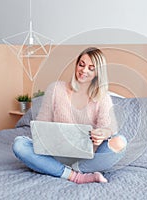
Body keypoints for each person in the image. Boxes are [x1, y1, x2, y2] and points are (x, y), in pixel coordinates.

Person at [12, 47, 127, 184]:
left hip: (87, 157)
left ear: (98, 73)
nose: (84, 70)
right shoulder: (55, 89)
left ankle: (62, 169)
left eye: (91, 68)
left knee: (120, 142)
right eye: (81, 64)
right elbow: (41, 124)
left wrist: (103, 133)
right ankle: (76, 176)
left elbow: (108, 128)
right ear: (76, 65)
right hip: (55, 153)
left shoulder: (103, 97)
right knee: (19, 144)